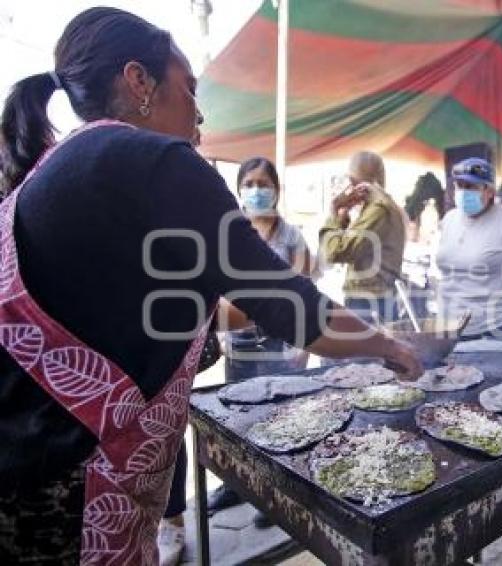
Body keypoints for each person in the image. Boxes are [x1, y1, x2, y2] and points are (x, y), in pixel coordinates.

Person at [0, 8, 421, 565]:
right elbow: (289, 306)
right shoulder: (152, 160)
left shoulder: (53, 170)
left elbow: (126, 310)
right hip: (68, 486)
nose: (200, 112)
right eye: (190, 89)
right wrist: (388, 346)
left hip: (21, 467)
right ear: (138, 82)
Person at [204, 157, 314, 526]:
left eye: (263, 183)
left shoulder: (293, 237)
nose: (256, 190)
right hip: (239, 344)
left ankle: (275, 496)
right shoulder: (230, 234)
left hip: (281, 345)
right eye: (248, 183)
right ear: (238, 190)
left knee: (281, 419)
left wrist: (302, 344)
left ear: (277, 190)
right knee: (239, 417)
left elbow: (303, 294)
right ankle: (234, 485)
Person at [436, 157, 502, 339]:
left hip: (492, 327)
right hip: (448, 325)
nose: (463, 192)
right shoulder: (449, 219)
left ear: (489, 191)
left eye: (471, 187)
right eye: (460, 185)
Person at [319, 151, 406, 324]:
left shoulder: (379, 210)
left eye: (350, 180)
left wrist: (334, 213)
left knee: (365, 351)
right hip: (372, 299)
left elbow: (335, 252)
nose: (347, 188)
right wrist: (343, 219)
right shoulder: (377, 207)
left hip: (370, 302)